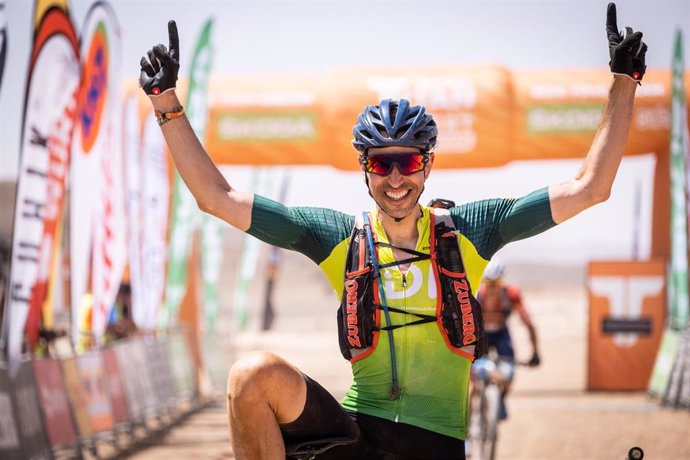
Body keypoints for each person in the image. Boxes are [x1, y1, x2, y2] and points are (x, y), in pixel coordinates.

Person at [138, 3, 646, 458]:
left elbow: (589, 187)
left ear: (427, 166)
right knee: (251, 376)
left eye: (407, 162)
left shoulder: (472, 229)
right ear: (365, 170)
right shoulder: (339, 237)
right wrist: (165, 101)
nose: (396, 178)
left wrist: (624, 81)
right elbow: (216, 199)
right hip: (357, 435)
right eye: (382, 165)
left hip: (437, 443)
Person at [476, 259, 540, 421]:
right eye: (488, 283)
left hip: (501, 334)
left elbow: (529, 324)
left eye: (495, 283)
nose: (491, 288)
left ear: (501, 282)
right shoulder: (477, 295)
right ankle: (469, 425)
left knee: (509, 374)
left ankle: (500, 399)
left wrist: (535, 352)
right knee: (475, 378)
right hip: (481, 335)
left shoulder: (511, 294)